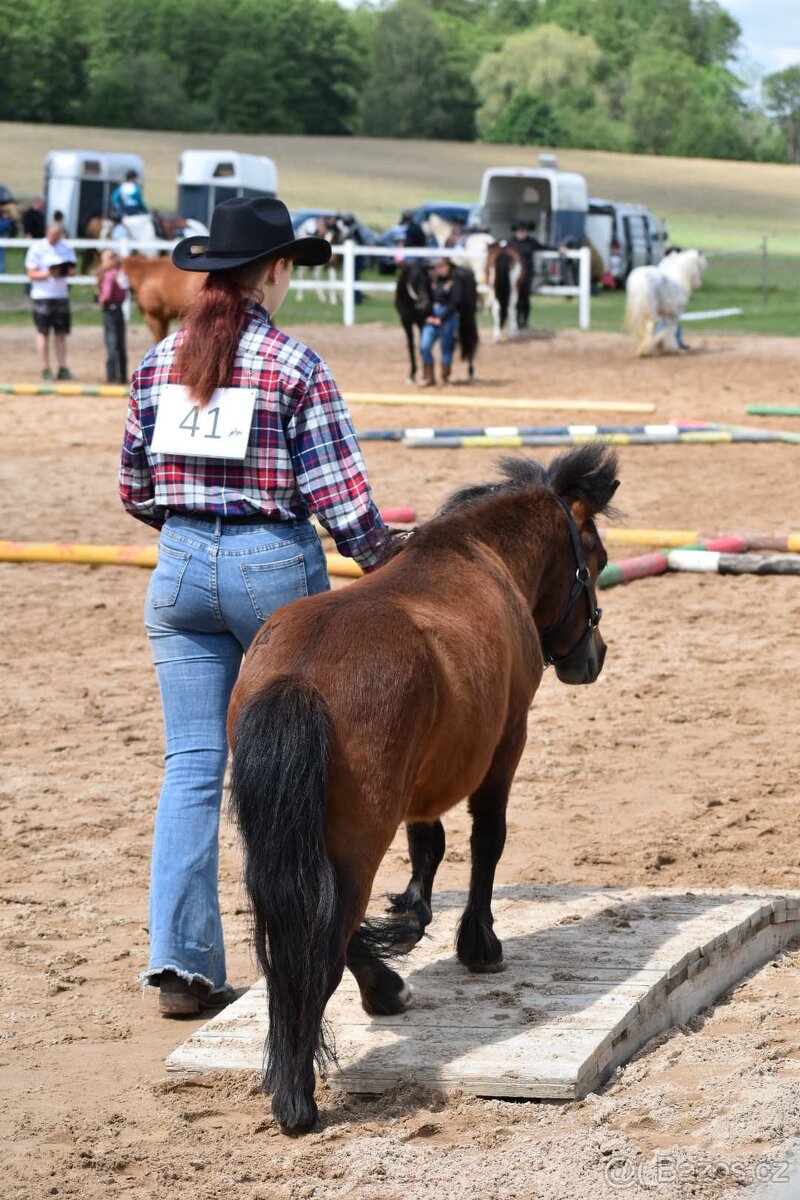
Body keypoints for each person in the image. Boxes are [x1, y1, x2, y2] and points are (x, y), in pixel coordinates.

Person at [119, 196, 389, 1017]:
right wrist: (390, 565)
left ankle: (180, 960)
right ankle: (316, 942)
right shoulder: (296, 366)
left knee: (193, 769)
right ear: (275, 272)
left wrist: (194, 532)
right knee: (304, 767)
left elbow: (135, 489)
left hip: (177, 568)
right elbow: (344, 505)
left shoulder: (159, 362)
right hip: (272, 568)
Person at [24, 221, 77, 380]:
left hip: (60, 295)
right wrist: (49, 274)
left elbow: (73, 270)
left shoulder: (66, 247)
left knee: (61, 333)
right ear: (47, 233)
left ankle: (62, 367)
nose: (55, 239)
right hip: (42, 295)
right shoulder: (37, 248)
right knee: (43, 332)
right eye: (52, 236)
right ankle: (45, 368)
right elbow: (31, 273)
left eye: (57, 236)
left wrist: (65, 271)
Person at [419, 256, 463, 388]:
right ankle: (429, 377)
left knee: (446, 348)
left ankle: (445, 377)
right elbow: (426, 299)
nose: (438, 269)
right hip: (432, 316)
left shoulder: (455, 282)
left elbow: (455, 302)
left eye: (442, 266)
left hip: (447, 318)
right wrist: (429, 315)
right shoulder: (432, 282)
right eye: (437, 267)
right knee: (424, 346)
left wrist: (441, 318)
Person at [510, 220, 550, 330]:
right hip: (515, 275)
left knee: (525, 298)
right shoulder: (511, 243)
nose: (521, 232)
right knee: (515, 298)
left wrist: (559, 248)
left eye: (523, 231)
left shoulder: (531, 242)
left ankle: (525, 321)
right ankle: (517, 321)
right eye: (519, 231)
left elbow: (544, 247)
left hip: (527, 274)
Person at [96, 249, 129, 383]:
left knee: (110, 342)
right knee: (121, 343)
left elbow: (107, 294)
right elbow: (125, 291)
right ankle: (122, 375)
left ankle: (111, 376)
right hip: (119, 309)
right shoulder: (121, 275)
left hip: (109, 310)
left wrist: (101, 300)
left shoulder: (109, 275)